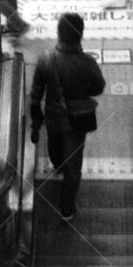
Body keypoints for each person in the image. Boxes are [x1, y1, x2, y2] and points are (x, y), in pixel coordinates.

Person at [29, 13, 106, 222]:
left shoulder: (46, 58)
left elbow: (35, 94)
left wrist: (36, 119)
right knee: (74, 166)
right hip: (77, 120)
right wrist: (81, 92)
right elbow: (98, 87)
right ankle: (67, 208)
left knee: (54, 147)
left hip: (53, 116)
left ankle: (57, 166)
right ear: (80, 34)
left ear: (58, 33)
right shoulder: (87, 62)